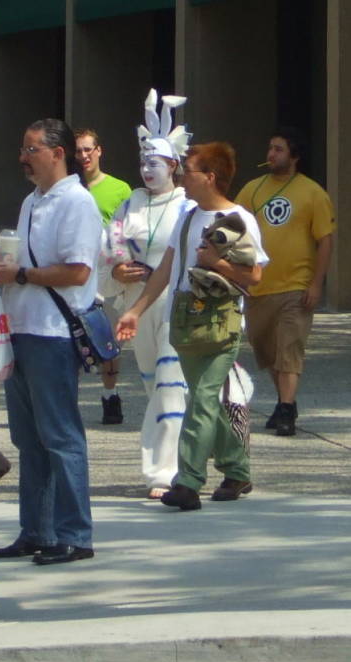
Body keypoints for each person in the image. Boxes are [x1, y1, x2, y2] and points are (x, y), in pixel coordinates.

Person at [117, 142, 268, 511]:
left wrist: (217, 263)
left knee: (200, 399)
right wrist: (136, 310)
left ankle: (187, 481)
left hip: (221, 323)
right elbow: (166, 271)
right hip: (184, 320)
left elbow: (256, 276)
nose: (182, 175)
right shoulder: (186, 217)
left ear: (211, 177)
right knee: (208, 400)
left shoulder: (239, 219)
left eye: (190, 170)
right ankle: (236, 469)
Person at [0, 118, 101, 565]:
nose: (23, 158)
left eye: (32, 149)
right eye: (23, 148)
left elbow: (78, 271)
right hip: (22, 329)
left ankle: (75, 534)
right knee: (28, 439)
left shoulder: (77, 203)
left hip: (53, 333)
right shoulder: (33, 201)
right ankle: (36, 529)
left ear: (58, 153)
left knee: (60, 436)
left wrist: (20, 274)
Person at [100, 89, 192, 499]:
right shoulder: (130, 203)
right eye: (142, 163)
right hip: (137, 300)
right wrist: (117, 267)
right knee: (154, 384)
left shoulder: (187, 205)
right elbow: (111, 244)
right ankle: (180, 460)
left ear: (173, 165)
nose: (147, 170)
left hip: (172, 303)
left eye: (155, 163)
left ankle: (164, 472)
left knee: (172, 384)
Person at [236, 127, 335, 436]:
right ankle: (284, 402)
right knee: (268, 352)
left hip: (296, 286)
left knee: (289, 349)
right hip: (259, 287)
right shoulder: (252, 189)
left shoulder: (313, 193)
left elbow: (325, 240)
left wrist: (316, 284)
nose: (271, 154)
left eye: (278, 149)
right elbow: (233, 225)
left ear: (294, 156)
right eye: (270, 148)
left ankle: (287, 409)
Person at [74, 128, 132, 425]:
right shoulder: (71, 189)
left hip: (106, 274)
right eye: (79, 151)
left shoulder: (121, 189)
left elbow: (127, 232)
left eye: (88, 149)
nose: (84, 156)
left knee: (107, 339)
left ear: (99, 151)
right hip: (76, 273)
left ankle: (110, 396)